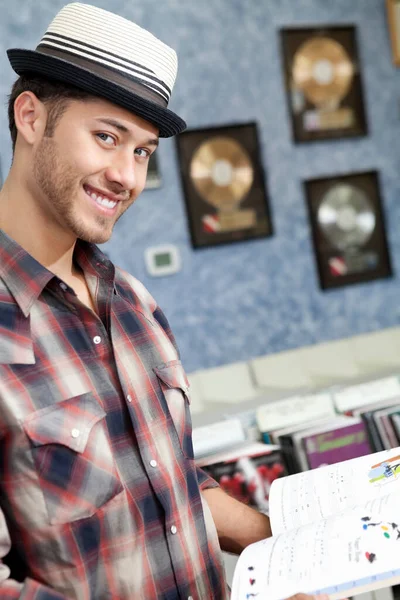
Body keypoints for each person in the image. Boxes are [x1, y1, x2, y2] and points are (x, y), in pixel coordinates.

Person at [0, 3, 328, 599]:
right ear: (30, 116)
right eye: (107, 137)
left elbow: (171, 483)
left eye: (143, 152)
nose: (126, 176)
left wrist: (297, 550)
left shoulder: (135, 306)